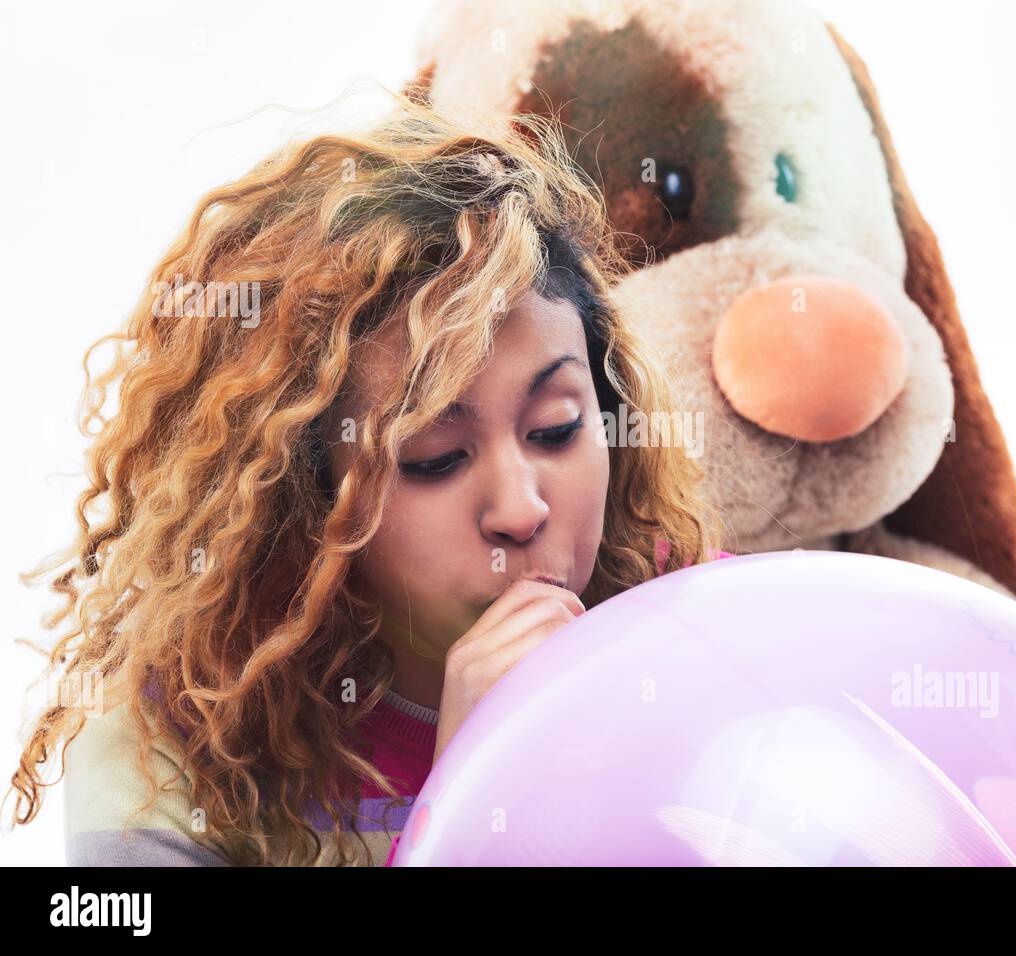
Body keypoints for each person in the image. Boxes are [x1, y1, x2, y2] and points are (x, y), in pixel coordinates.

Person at [7, 95, 727, 866]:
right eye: (435, 459)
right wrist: (474, 798)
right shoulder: (162, 752)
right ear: (307, 496)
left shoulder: (705, 631)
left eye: (555, 429)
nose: (521, 509)